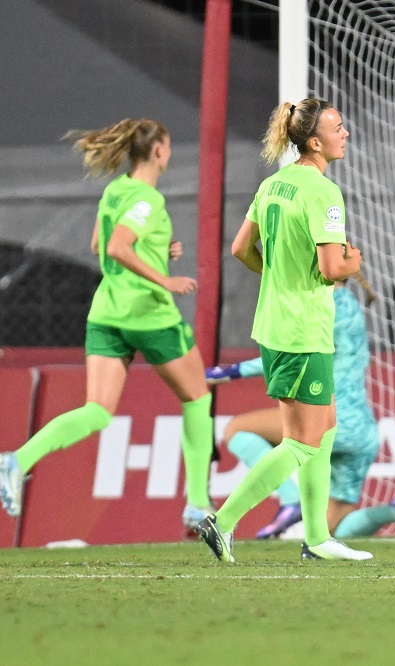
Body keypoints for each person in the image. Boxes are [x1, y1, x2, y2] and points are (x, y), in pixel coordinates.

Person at [0, 118, 215, 531]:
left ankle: (17, 460)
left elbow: (100, 244)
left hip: (105, 314)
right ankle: (197, 504)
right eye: (167, 147)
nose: (168, 153)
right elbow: (117, 247)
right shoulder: (148, 200)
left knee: (97, 411)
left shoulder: (114, 190)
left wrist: (156, 251)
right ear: (157, 151)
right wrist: (164, 278)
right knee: (197, 398)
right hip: (148, 314)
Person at [196, 98, 367, 564]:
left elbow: (239, 248)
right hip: (302, 330)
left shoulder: (275, 184)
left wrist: (280, 274)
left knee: (324, 427)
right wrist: (353, 261)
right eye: (337, 127)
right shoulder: (322, 192)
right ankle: (223, 521)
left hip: (274, 324)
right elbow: (334, 267)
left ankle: (316, 537)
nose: (345, 132)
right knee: (302, 442)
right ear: (315, 141)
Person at [205, 275, 395, 540]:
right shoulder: (348, 303)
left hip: (332, 418)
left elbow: (293, 357)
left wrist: (231, 372)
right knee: (331, 531)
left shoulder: (326, 304)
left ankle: (291, 500)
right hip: (362, 431)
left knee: (237, 429)